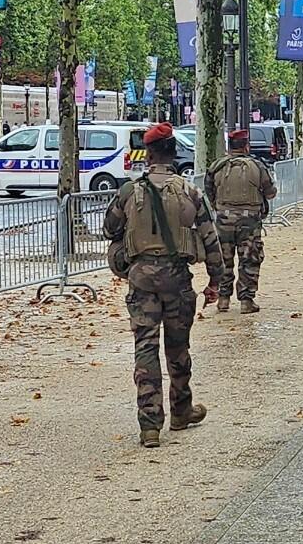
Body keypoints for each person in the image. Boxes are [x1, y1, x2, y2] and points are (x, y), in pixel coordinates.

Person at [103, 123, 223, 448]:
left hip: (141, 280)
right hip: (177, 280)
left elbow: (109, 229)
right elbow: (210, 238)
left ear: (149, 153)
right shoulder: (189, 192)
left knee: (145, 347)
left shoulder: (129, 192)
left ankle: (150, 424)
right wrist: (216, 280)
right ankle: (181, 410)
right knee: (178, 347)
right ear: (173, 153)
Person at [204, 129, 277, 314]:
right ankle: (246, 300)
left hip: (223, 220)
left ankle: (223, 299)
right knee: (250, 259)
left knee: (224, 260)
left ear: (229, 147)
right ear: (246, 146)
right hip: (249, 221)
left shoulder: (216, 166)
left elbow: (208, 191)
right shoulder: (257, 166)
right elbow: (271, 192)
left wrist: (219, 207)